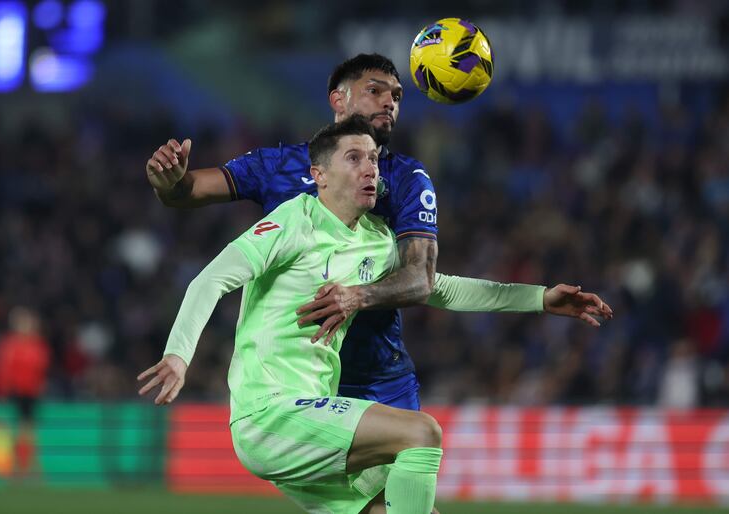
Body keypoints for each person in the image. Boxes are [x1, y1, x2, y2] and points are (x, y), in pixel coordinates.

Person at [145, 53, 613, 413]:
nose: (390, 101)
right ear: (338, 99)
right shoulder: (277, 166)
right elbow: (187, 191)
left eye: (397, 95)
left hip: (376, 374)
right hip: (301, 372)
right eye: (375, 90)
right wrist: (170, 180)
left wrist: (534, 299)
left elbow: (424, 283)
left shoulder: (405, 179)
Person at [139, 117, 443, 514]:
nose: (370, 168)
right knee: (421, 432)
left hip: (309, 415)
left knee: (403, 507)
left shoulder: (375, 240)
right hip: (270, 415)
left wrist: (538, 299)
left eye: (373, 158)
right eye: (355, 158)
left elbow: (435, 284)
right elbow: (210, 279)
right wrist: (178, 356)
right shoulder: (293, 220)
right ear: (319, 175)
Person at [0, 306, 50, 479]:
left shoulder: (38, 344)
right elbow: (1, 369)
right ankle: (15, 467)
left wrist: (40, 387)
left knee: (28, 430)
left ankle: (27, 467)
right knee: (15, 430)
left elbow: (41, 370)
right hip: (13, 392)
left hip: (31, 393)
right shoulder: (9, 344)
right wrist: (0, 392)